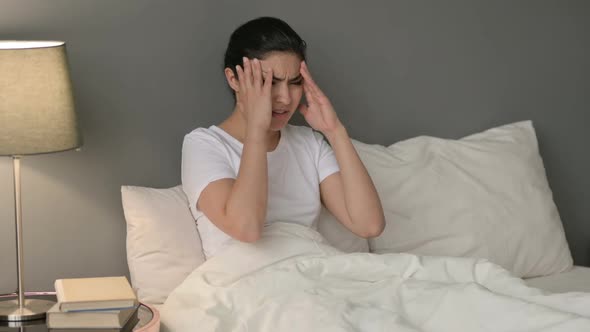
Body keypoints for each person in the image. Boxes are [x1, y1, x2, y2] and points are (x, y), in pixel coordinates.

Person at [182, 17, 385, 259]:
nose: (286, 98)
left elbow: (369, 225)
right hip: (245, 282)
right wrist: (257, 129)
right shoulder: (204, 145)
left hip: (312, 272)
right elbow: (246, 229)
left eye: (295, 83)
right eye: (270, 82)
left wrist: (335, 131)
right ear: (233, 79)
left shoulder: (309, 143)